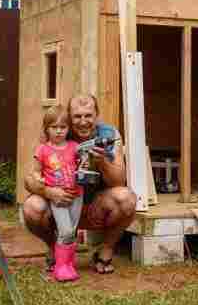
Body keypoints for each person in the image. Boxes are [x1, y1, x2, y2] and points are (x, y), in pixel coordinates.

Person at [23, 94, 137, 274]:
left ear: (97, 114)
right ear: (69, 116)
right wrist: (49, 192)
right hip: (60, 204)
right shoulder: (56, 132)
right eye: (77, 116)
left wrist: (101, 161)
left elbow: (119, 181)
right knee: (32, 208)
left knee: (127, 199)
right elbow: (29, 179)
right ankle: (55, 249)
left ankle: (105, 250)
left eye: (88, 115)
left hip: (95, 207)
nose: (83, 121)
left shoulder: (109, 135)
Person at [33, 105, 83, 282]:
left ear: (68, 128)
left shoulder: (75, 147)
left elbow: (83, 164)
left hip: (77, 194)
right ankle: (60, 267)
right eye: (54, 127)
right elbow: (36, 170)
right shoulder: (43, 149)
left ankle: (68, 264)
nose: (59, 131)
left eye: (63, 127)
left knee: (72, 231)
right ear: (46, 128)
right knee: (65, 230)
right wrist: (38, 179)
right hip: (58, 196)